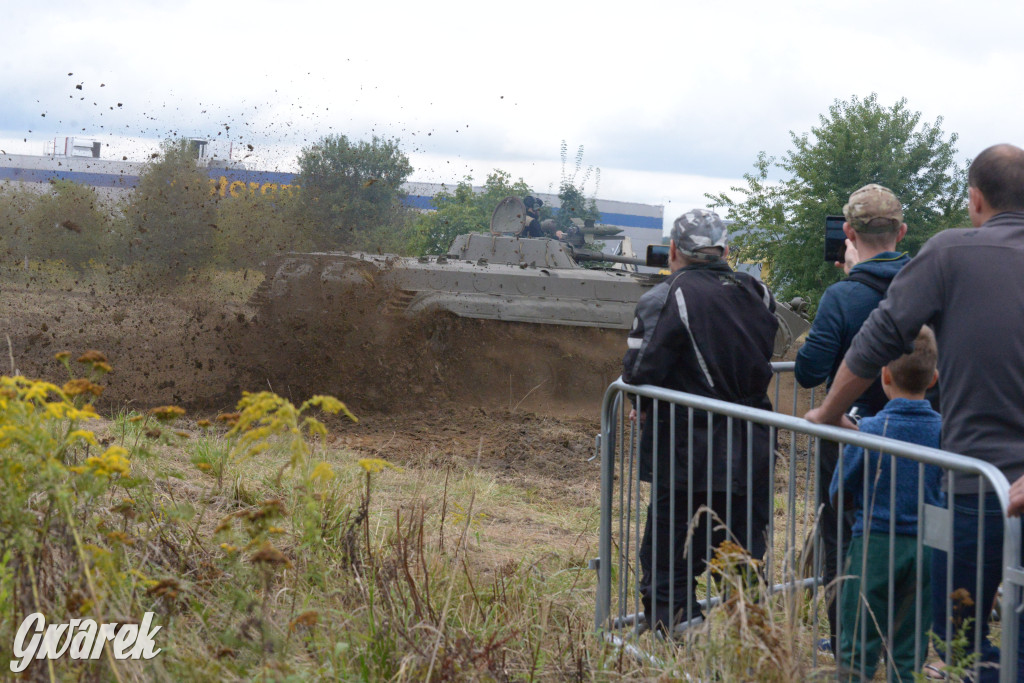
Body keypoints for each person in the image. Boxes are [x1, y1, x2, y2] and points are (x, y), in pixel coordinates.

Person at [806, 143, 1024, 681]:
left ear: (975, 200)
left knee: (959, 636)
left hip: (979, 486)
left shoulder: (952, 253)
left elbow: (881, 334)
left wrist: (830, 413)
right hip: (987, 480)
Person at [622, 208, 779, 632]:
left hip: (687, 448)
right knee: (743, 546)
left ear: (674, 249)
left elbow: (638, 373)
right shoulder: (759, 292)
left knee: (672, 544)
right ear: (725, 250)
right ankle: (747, 634)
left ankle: (674, 626)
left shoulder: (665, 296)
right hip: (750, 441)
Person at [794, 183, 911, 655]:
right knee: (907, 533)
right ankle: (901, 638)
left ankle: (848, 641)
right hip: (915, 434)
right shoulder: (927, 283)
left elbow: (807, 374)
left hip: (848, 435)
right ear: (901, 232)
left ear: (848, 232)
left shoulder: (842, 297)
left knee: (841, 536)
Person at [829, 326, 942, 681]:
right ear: (934, 378)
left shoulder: (873, 431)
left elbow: (838, 491)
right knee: (909, 649)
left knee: (857, 644)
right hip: (928, 546)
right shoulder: (947, 432)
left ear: (884, 375)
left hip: (875, 543)